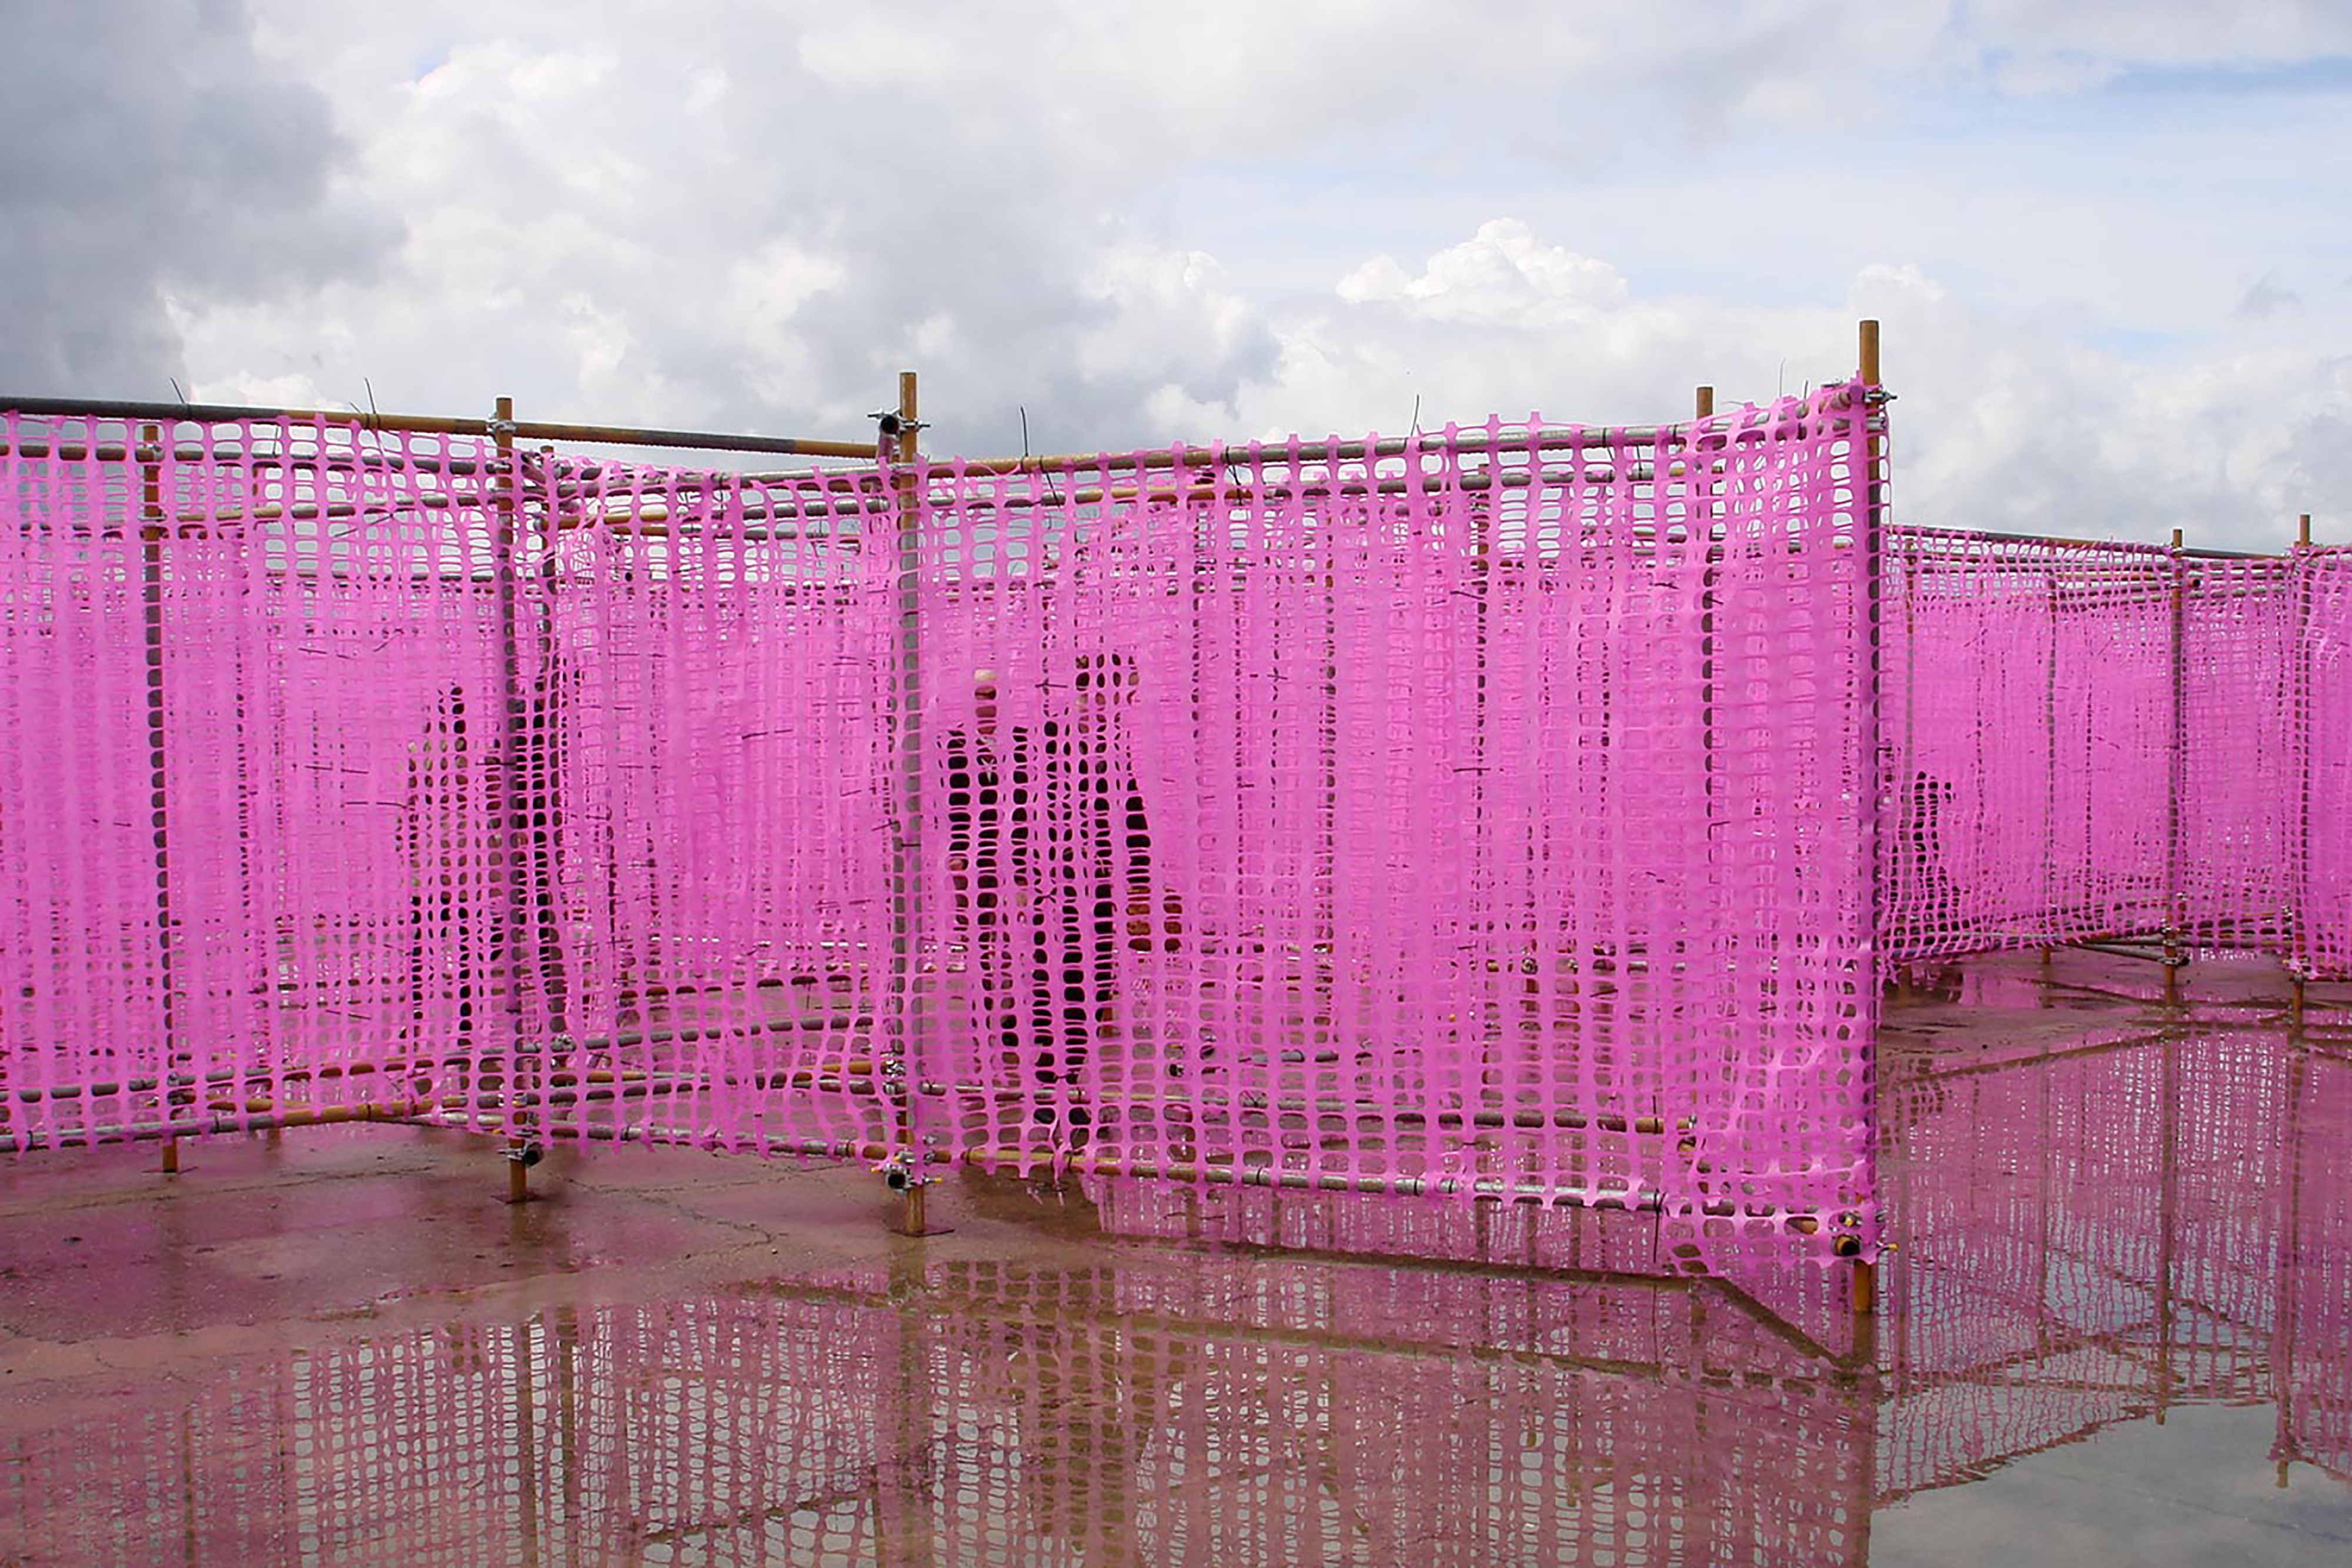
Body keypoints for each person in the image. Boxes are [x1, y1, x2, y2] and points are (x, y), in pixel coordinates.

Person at [941, 655, 1162, 1152]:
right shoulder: (1042, 743)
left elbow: (1130, 811)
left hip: (1100, 880)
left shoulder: (1105, 743)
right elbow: (1015, 804)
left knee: (1092, 979)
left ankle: (1053, 1067)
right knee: (1057, 974)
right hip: (1054, 880)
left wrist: (1141, 876)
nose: (1117, 703)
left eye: (1124, 694)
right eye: (1109, 692)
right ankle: (1051, 1080)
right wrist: (1014, 866)